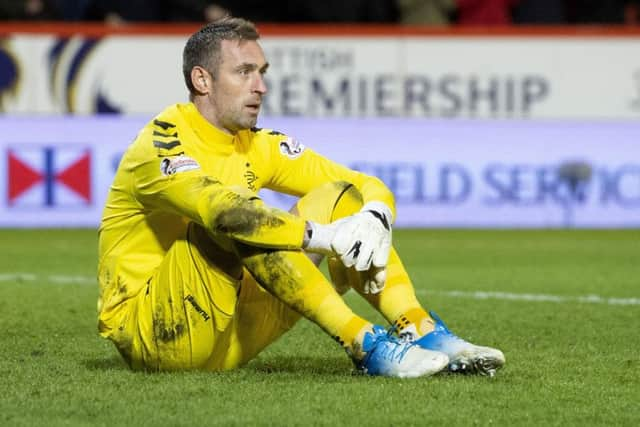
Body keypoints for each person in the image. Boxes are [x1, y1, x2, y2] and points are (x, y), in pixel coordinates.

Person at [97, 17, 505, 378]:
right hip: (157, 335)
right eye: (244, 72)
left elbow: (362, 183)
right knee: (238, 216)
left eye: (262, 72)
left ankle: (421, 329)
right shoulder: (160, 142)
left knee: (340, 197)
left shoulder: (257, 144)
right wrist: (326, 239)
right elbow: (223, 213)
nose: (261, 87)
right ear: (202, 80)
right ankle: (363, 344)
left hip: (237, 333)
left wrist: (375, 217)